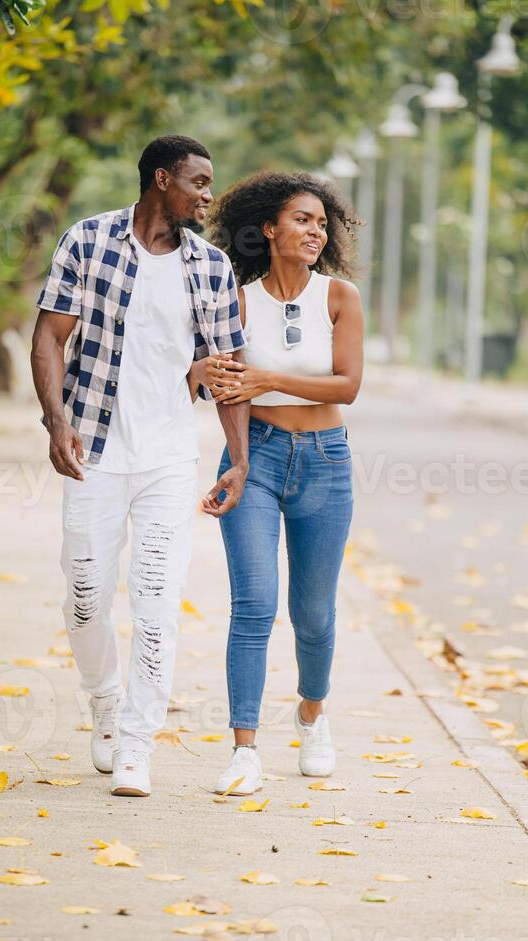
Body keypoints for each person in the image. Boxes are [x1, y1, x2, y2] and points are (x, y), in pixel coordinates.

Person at [31, 135, 250, 798]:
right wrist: (55, 420)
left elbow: (228, 373)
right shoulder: (89, 241)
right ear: (162, 179)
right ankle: (104, 700)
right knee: (86, 597)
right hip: (93, 451)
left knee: (156, 606)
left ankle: (135, 744)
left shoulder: (211, 267)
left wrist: (238, 458)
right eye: (199, 182)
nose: (208, 196)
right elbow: (49, 335)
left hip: (167, 460)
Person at [203, 171, 364, 795]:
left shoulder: (339, 298)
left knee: (315, 616)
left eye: (322, 223)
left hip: (326, 460)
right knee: (254, 606)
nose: (315, 231)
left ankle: (312, 715)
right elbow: (231, 391)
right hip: (256, 459)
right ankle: (245, 750)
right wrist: (237, 462)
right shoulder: (239, 301)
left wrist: (267, 377)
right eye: (302, 219)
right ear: (269, 228)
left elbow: (346, 385)